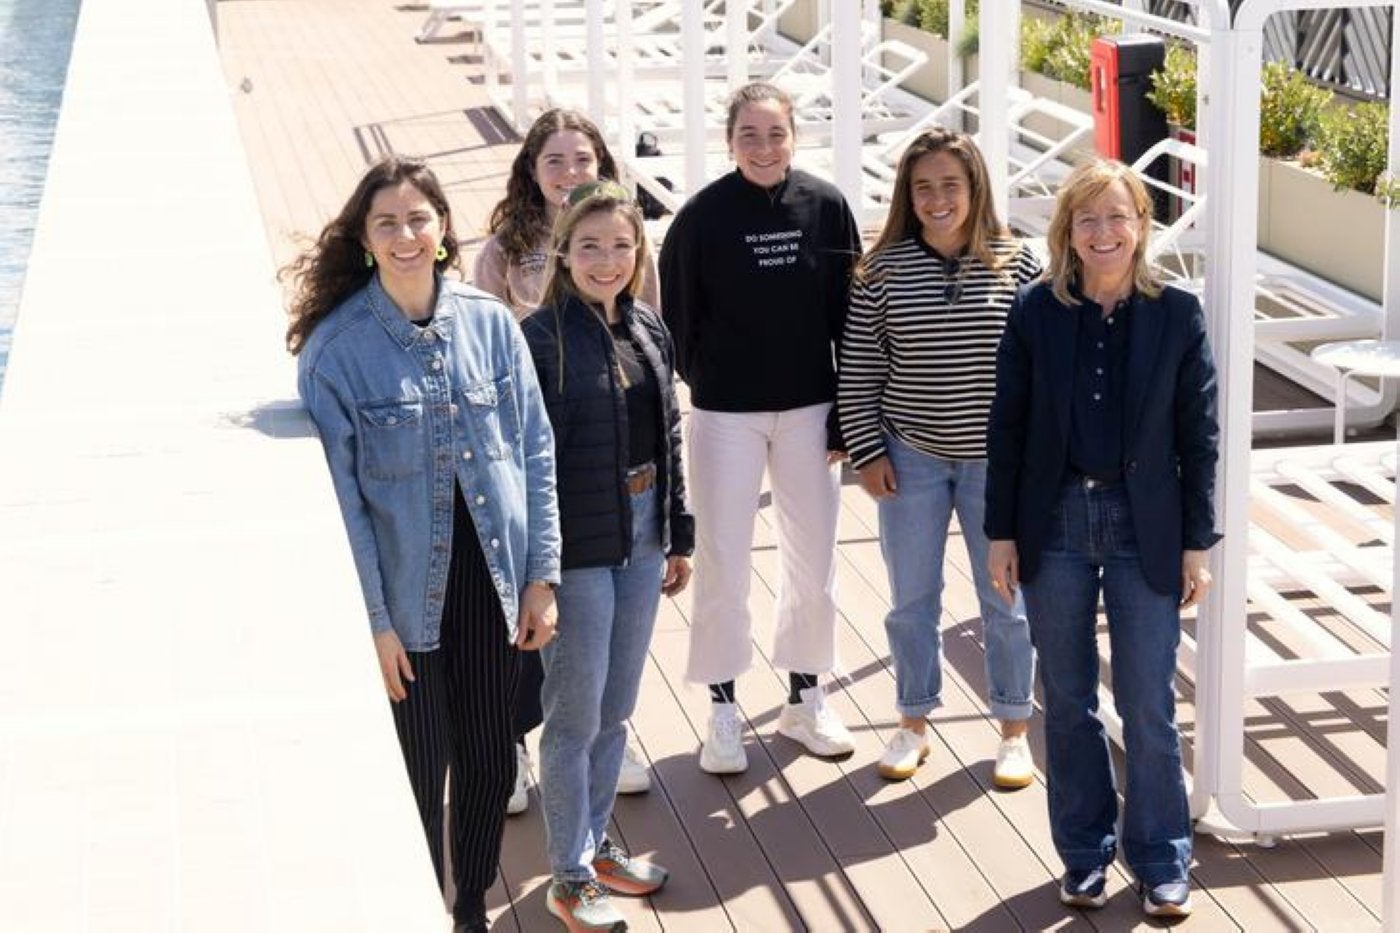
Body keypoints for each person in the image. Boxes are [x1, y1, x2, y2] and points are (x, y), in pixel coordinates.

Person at [287, 156, 561, 933]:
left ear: (443, 228)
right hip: (406, 596)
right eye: (387, 223)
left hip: (494, 583)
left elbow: (534, 448)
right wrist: (374, 623)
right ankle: (410, 908)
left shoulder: (490, 322)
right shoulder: (335, 355)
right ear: (365, 239)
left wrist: (541, 575)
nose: (406, 235)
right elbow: (344, 507)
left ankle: (469, 904)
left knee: (488, 757)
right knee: (414, 767)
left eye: (419, 218)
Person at [984, 159, 1220, 919]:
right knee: (1070, 698)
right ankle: (1085, 854)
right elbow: (1007, 429)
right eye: (1088, 219)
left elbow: (1200, 435)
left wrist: (1197, 541)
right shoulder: (1033, 311)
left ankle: (1160, 857)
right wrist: (1000, 534)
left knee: (1149, 701)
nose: (1104, 232)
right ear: (1068, 233)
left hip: (1141, 524)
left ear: (1141, 224)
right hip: (1052, 524)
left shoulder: (1178, 313)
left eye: (1117, 216)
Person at [659, 82, 862, 774]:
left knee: (815, 558)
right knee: (725, 558)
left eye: (776, 133)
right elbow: (676, 317)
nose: (764, 147)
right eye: (750, 135)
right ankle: (722, 708)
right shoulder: (701, 217)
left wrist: (846, 406)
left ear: (794, 136)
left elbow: (850, 313)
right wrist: (709, 379)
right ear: (729, 142)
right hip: (725, 414)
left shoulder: (826, 206)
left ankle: (807, 696)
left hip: (810, 408)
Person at [838, 128, 1042, 788]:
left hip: (999, 467)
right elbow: (861, 366)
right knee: (911, 600)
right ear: (907, 195)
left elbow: (1044, 369)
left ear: (975, 187)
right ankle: (913, 720)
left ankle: (1013, 727)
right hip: (911, 457)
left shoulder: (1019, 265)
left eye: (951, 184)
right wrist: (867, 451)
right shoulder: (882, 271)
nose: (937, 198)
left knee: (1005, 602)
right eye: (923, 186)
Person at [521, 181, 694, 932]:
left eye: (621, 245)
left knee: (617, 707)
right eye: (589, 245)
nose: (606, 259)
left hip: (642, 528)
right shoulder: (540, 338)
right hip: (579, 546)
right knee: (574, 715)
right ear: (564, 250)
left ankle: (591, 848)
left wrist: (678, 533)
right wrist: (542, 571)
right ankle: (566, 872)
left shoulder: (649, 326)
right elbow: (525, 462)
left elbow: (671, 433)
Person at [476, 108, 657, 808]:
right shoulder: (503, 253)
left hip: (610, 459)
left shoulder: (626, 240)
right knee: (531, 608)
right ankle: (520, 740)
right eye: (554, 160)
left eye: (582, 159)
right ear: (531, 171)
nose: (570, 172)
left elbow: (646, 337)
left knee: (606, 624)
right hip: (530, 446)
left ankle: (603, 733)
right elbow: (485, 345)